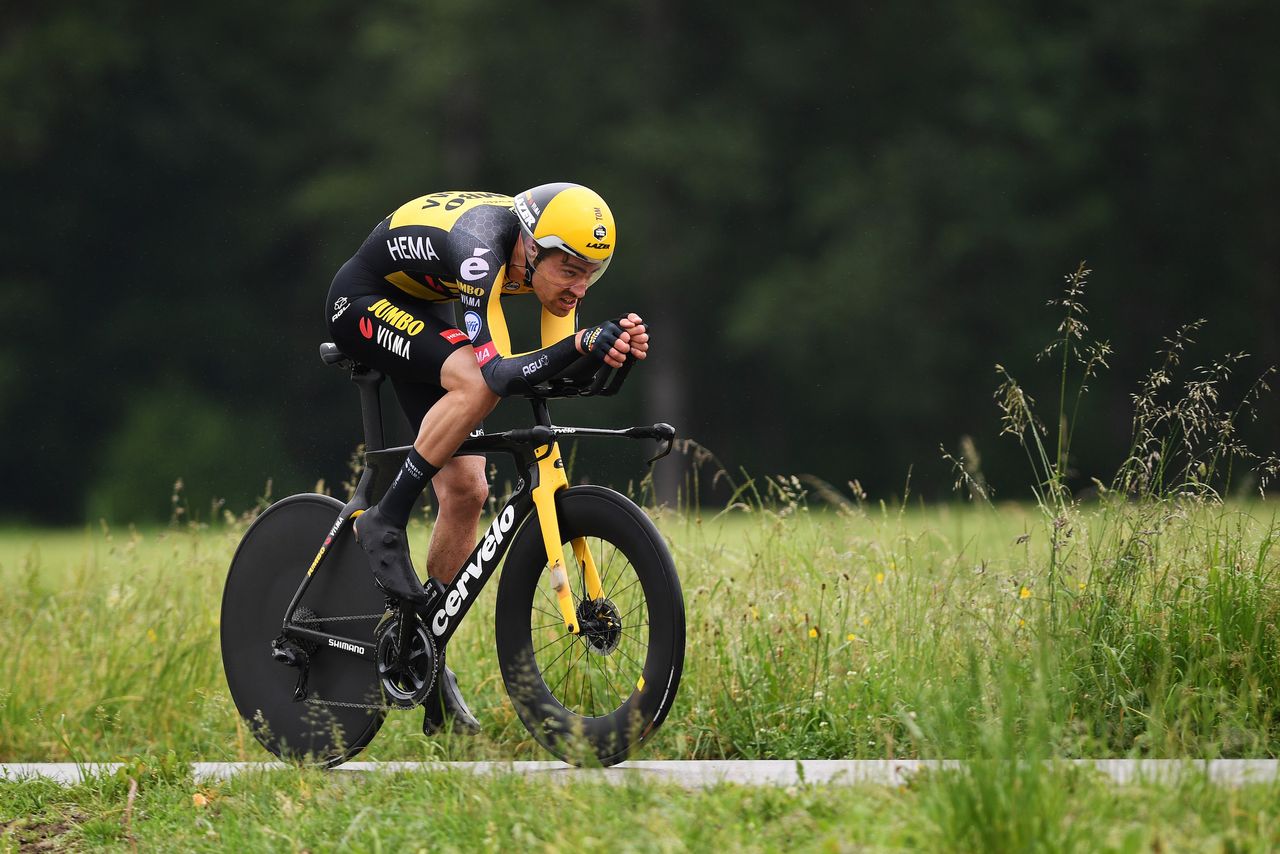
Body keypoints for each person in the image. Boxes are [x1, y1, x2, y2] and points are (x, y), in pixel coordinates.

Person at [325, 183, 648, 735]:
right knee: (476, 382)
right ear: (530, 246)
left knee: (467, 491)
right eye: (569, 270)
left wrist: (605, 353)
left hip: (425, 301)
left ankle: (426, 655)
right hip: (364, 298)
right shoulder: (483, 252)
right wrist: (581, 344)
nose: (579, 288)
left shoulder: (544, 267)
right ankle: (385, 517)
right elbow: (498, 374)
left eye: (591, 273)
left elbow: (554, 370)